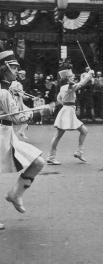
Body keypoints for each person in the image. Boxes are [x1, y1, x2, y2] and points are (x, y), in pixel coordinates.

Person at [0, 50, 45, 230]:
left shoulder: (8, 90)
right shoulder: (3, 92)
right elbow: (18, 118)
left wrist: (21, 100)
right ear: (4, 68)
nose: (18, 71)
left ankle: (15, 194)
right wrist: (38, 112)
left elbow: (19, 111)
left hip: (7, 134)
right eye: (15, 67)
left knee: (38, 162)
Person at [46, 68, 94, 165]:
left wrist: (65, 104)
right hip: (68, 112)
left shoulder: (62, 87)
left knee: (83, 131)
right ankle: (51, 157)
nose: (74, 77)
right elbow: (81, 84)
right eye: (72, 76)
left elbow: (59, 98)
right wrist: (89, 75)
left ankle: (79, 152)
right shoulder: (69, 86)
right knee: (58, 136)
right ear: (68, 78)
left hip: (67, 110)